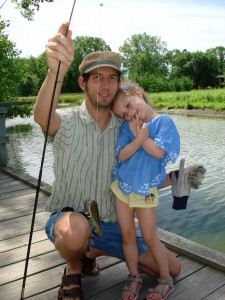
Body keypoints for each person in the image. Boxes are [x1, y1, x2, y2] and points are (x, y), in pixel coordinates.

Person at [33, 22, 205, 300]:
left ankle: (92, 250)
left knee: (171, 269)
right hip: (70, 219)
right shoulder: (67, 121)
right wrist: (55, 72)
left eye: (112, 78)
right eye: (97, 77)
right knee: (76, 229)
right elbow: (42, 117)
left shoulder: (126, 126)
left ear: (119, 83)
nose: (105, 84)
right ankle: (74, 266)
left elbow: (138, 175)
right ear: (82, 83)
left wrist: (176, 179)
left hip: (112, 224)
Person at [110, 82, 180, 300]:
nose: (130, 114)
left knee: (150, 236)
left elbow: (158, 152)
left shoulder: (163, 122)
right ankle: (134, 275)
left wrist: (141, 137)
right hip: (122, 188)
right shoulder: (127, 126)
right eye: (124, 114)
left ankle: (165, 279)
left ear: (138, 94)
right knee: (127, 234)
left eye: (129, 105)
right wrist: (137, 137)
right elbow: (122, 155)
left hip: (146, 191)